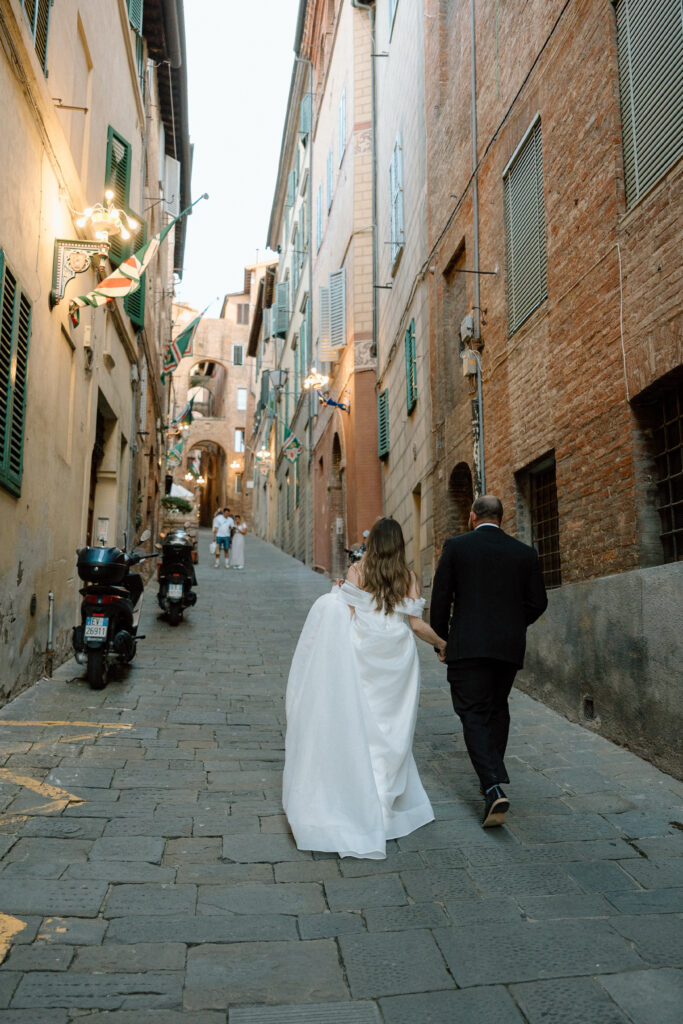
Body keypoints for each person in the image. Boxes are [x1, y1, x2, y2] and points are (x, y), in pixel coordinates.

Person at [283, 517, 446, 859]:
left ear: (372, 543)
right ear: (399, 544)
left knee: (362, 722)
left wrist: (338, 593)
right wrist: (442, 644)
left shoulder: (357, 570)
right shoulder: (409, 576)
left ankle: (362, 795)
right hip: (397, 659)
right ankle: (385, 796)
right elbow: (416, 625)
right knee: (393, 728)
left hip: (363, 654)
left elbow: (345, 614)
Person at [430, 494, 548, 828]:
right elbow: (538, 602)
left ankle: (493, 785)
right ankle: (490, 777)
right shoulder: (524, 553)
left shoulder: (457, 547)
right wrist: (513, 624)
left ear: (472, 517)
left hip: (467, 646)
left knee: (473, 712)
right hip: (507, 648)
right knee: (497, 707)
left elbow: (441, 598)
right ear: (502, 518)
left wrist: (441, 640)